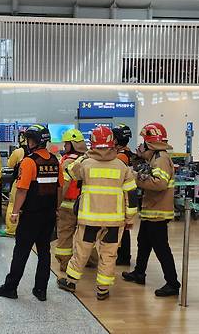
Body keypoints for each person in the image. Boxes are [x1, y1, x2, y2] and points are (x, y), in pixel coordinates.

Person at [57, 126, 137, 301]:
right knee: (109, 255)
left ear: (92, 143)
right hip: (114, 222)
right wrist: (130, 218)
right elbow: (131, 195)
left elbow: (68, 172)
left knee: (81, 252)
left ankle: (70, 282)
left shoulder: (85, 164)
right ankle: (102, 289)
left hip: (89, 220)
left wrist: (84, 156)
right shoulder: (122, 166)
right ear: (112, 142)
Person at [0, 124, 61, 302]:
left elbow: (22, 190)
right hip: (49, 215)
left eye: (29, 139)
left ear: (35, 141)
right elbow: (59, 189)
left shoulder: (29, 161)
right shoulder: (55, 161)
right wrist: (57, 209)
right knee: (44, 251)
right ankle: (41, 290)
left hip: (31, 215)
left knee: (21, 251)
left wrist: (15, 212)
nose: (28, 142)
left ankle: (10, 288)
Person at [122, 123, 181, 297]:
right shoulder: (155, 157)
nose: (141, 145)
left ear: (151, 143)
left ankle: (172, 283)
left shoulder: (161, 158)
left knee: (161, 248)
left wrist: (136, 178)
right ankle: (139, 272)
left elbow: (159, 183)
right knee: (144, 242)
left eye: (144, 142)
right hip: (151, 210)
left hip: (158, 212)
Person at [54, 128, 88, 272]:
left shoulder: (67, 161)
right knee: (86, 235)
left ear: (73, 144)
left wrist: (56, 204)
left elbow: (62, 184)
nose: (64, 146)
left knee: (65, 234)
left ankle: (64, 263)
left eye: (67, 143)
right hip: (84, 204)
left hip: (68, 204)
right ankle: (90, 260)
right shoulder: (88, 159)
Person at [113, 124, 136, 266]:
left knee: (122, 229)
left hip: (120, 196)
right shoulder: (128, 153)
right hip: (126, 195)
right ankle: (124, 255)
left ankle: (123, 256)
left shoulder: (121, 156)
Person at [0, 132, 28, 238]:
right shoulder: (39, 152)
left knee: (13, 204)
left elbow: (10, 164)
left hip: (20, 182)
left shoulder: (19, 151)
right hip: (34, 185)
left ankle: (11, 230)